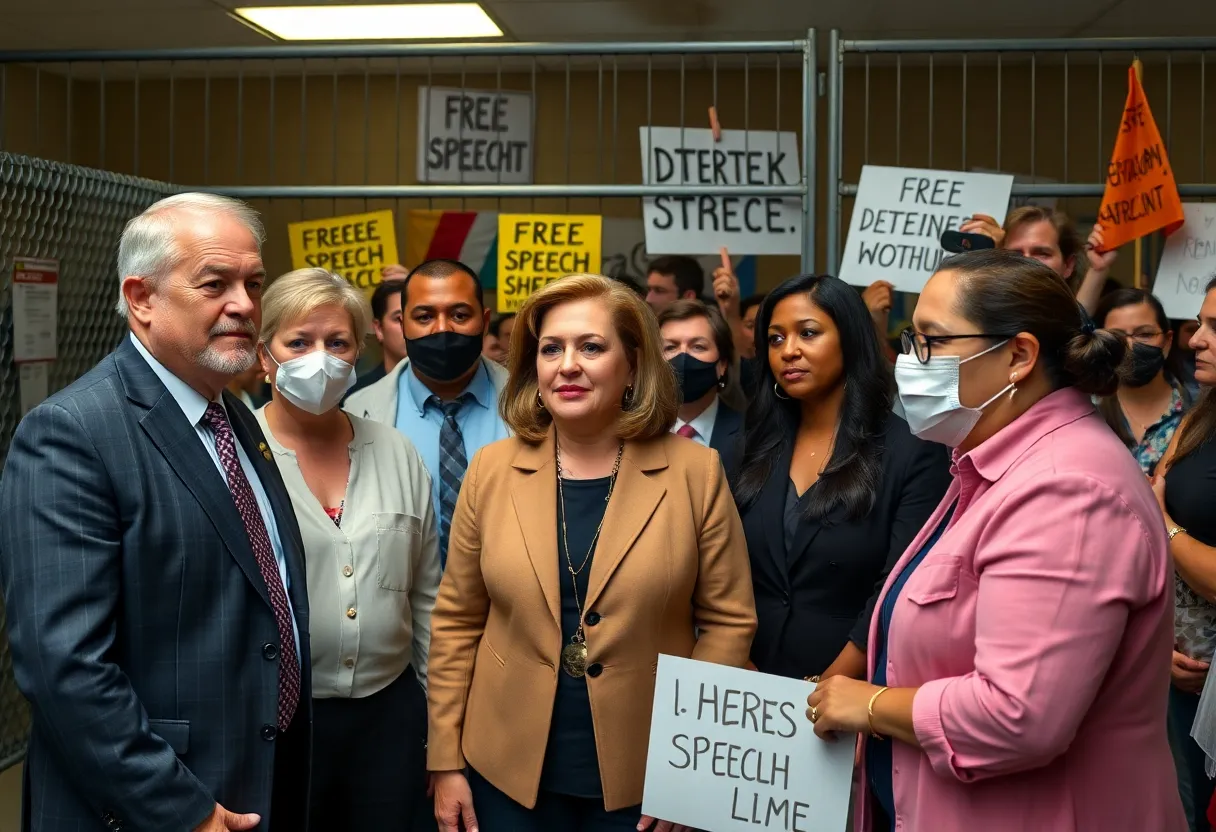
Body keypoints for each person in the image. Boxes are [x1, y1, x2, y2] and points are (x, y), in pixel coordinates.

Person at [808, 249, 1186, 832]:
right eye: (912, 340)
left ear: (1017, 356)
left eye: (933, 341)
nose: (911, 362)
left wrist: (873, 704)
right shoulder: (991, 463)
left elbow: (1018, 716)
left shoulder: (1065, 490)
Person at [0, 193, 312, 831]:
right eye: (215, 285)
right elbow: (64, 667)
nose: (245, 305)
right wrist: (185, 812)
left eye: (254, 284)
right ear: (141, 298)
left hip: (252, 776)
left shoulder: (230, 416)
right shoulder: (72, 434)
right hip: (157, 804)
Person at [426, 274, 757, 832]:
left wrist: (686, 769)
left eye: (592, 347)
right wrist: (445, 760)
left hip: (646, 777)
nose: (567, 366)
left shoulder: (694, 472)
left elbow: (728, 623)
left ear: (633, 365)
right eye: (551, 349)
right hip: (503, 769)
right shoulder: (491, 470)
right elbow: (457, 621)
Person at [253, 267, 442, 832]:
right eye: (299, 342)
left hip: (390, 718)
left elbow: (428, 598)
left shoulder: (396, 452)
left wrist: (441, 726)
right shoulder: (237, 458)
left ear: (359, 351)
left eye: (337, 343)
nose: (321, 359)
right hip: (278, 721)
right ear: (265, 357)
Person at [733, 274, 950, 681]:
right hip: (744, 685)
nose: (789, 351)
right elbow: (717, 575)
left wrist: (832, 684)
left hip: (854, 684)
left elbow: (899, 585)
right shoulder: (747, 449)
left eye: (808, 333)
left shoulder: (912, 452)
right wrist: (737, 662)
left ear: (849, 340)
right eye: (776, 339)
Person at [344, 258, 510, 568]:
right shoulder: (356, 411)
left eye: (460, 315)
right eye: (424, 317)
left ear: (485, 321)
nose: (442, 328)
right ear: (403, 324)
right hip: (406, 595)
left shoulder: (532, 404)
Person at [1155, 276, 1216, 832]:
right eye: (1200, 324)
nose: (1196, 339)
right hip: (1183, 669)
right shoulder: (1202, 413)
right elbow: (1155, 485)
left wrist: (1169, 529)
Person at [1094, 288, 1191, 476]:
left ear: (1167, 341)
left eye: (1145, 334)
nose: (1130, 345)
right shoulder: (1085, 410)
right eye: (1116, 336)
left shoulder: (1196, 412)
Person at [962, 206, 1117, 314]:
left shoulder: (1076, 329)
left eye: (1042, 253)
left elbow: (1077, 326)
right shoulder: (981, 319)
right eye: (1016, 252)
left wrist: (1098, 269)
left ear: (1068, 265)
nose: (1027, 261)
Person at [658, 300, 747, 479]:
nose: (683, 356)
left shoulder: (752, 435)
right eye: (670, 347)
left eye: (698, 347)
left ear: (722, 365)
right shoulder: (635, 434)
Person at [346, 278, 407, 398]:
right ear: (379, 329)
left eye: (419, 317)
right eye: (398, 319)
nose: (409, 326)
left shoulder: (443, 385)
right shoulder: (358, 396)